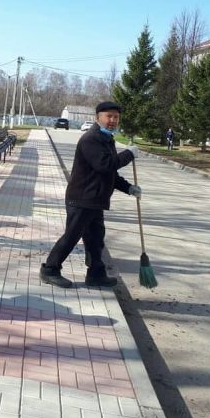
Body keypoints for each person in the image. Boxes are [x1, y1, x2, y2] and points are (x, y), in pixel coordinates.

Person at [40, 101, 141, 288]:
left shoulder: (106, 139)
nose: (112, 120)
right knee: (71, 236)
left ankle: (96, 274)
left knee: (96, 239)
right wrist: (128, 154)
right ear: (98, 118)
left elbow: (109, 172)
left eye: (116, 117)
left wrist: (128, 188)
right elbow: (105, 165)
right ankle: (50, 269)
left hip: (95, 200)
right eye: (108, 116)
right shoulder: (91, 139)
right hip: (82, 198)